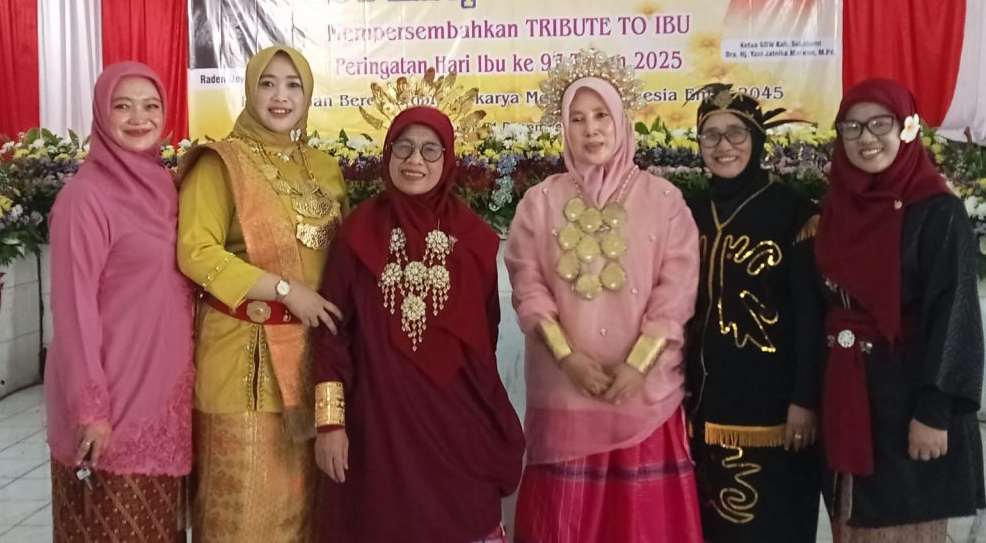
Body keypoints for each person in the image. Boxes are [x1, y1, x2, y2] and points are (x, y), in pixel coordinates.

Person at [505, 51, 703, 542]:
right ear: (564, 128)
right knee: (563, 524)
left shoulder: (664, 200)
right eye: (577, 119)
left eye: (600, 116)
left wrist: (638, 365)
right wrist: (567, 358)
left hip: (644, 396)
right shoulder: (539, 202)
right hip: (565, 395)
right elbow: (528, 287)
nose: (591, 129)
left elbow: (676, 293)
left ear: (620, 120)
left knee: (641, 526)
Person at [311, 105, 525, 543]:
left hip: (455, 427)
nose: (415, 160)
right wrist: (330, 424)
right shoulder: (357, 233)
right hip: (379, 427)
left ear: (448, 159)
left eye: (430, 150)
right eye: (403, 147)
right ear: (387, 153)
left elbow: (484, 342)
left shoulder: (475, 240)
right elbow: (332, 332)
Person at [177, 45, 347, 542]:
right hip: (241, 365)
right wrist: (284, 289)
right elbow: (195, 252)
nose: (280, 96)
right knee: (242, 512)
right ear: (250, 90)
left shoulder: (324, 167)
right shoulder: (220, 162)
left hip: (310, 361)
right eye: (267, 83)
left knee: (303, 513)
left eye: (293, 85)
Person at [814, 78, 985, 542]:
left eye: (880, 123)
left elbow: (955, 317)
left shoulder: (937, 212)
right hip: (847, 400)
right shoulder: (834, 209)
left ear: (907, 129)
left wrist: (935, 411)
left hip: (910, 404)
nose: (866, 137)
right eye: (852, 126)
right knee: (850, 523)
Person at [44, 62, 194, 542]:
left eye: (151, 106)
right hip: (112, 407)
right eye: (122, 106)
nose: (138, 118)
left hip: (162, 405)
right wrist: (90, 410)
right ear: (101, 113)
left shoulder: (164, 186)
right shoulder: (84, 198)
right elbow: (73, 311)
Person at [684, 84, 823, 543]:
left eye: (736, 133)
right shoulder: (687, 213)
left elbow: (810, 318)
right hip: (702, 406)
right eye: (711, 135)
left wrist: (805, 401)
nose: (723, 145)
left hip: (775, 412)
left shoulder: (794, 214)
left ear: (757, 138)